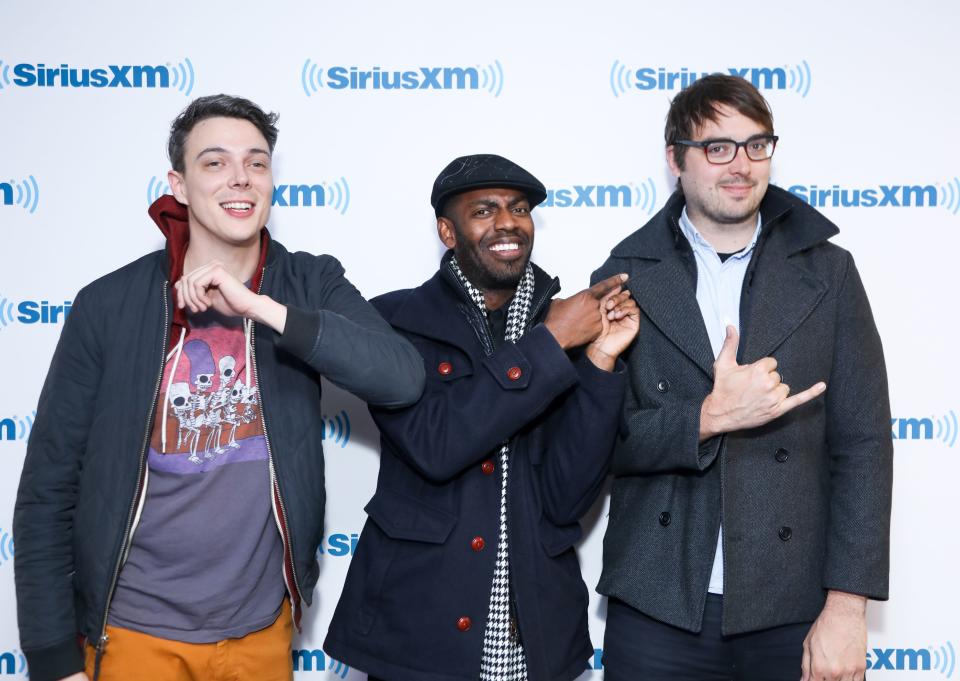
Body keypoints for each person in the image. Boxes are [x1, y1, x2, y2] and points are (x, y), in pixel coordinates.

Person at [13, 94, 425, 681]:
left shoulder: (308, 281)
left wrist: (263, 308)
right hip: (133, 633)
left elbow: (401, 378)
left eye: (257, 163)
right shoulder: (108, 305)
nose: (241, 179)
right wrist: (53, 658)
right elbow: (48, 490)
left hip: (260, 632)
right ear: (178, 185)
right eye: (215, 163)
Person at [593, 74, 892, 681]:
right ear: (675, 158)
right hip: (657, 601)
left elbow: (863, 445)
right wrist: (706, 419)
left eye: (757, 145)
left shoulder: (828, 272)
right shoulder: (622, 275)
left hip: (795, 604)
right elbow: (601, 444)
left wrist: (846, 608)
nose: (742, 165)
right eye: (718, 147)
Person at [323, 153, 639, 681]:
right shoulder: (393, 322)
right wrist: (552, 343)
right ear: (448, 231)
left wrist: (601, 361)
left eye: (519, 209)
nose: (507, 223)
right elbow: (436, 445)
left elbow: (567, 499)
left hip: (535, 635)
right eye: (484, 210)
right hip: (417, 635)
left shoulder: (566, 324)